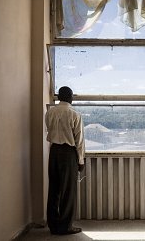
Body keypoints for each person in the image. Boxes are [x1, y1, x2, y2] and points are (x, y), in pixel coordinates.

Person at [45, 86, 85, 235]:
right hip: (68, 153)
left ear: (59, 97)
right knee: (68, 191)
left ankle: (53, 225)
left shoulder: (50, 112)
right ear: (70, 97)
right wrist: (81, 161)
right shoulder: (74, 114)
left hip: (54, 151)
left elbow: (49, 129)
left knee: (54, 189)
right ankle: (65, 226)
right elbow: (79, 140)